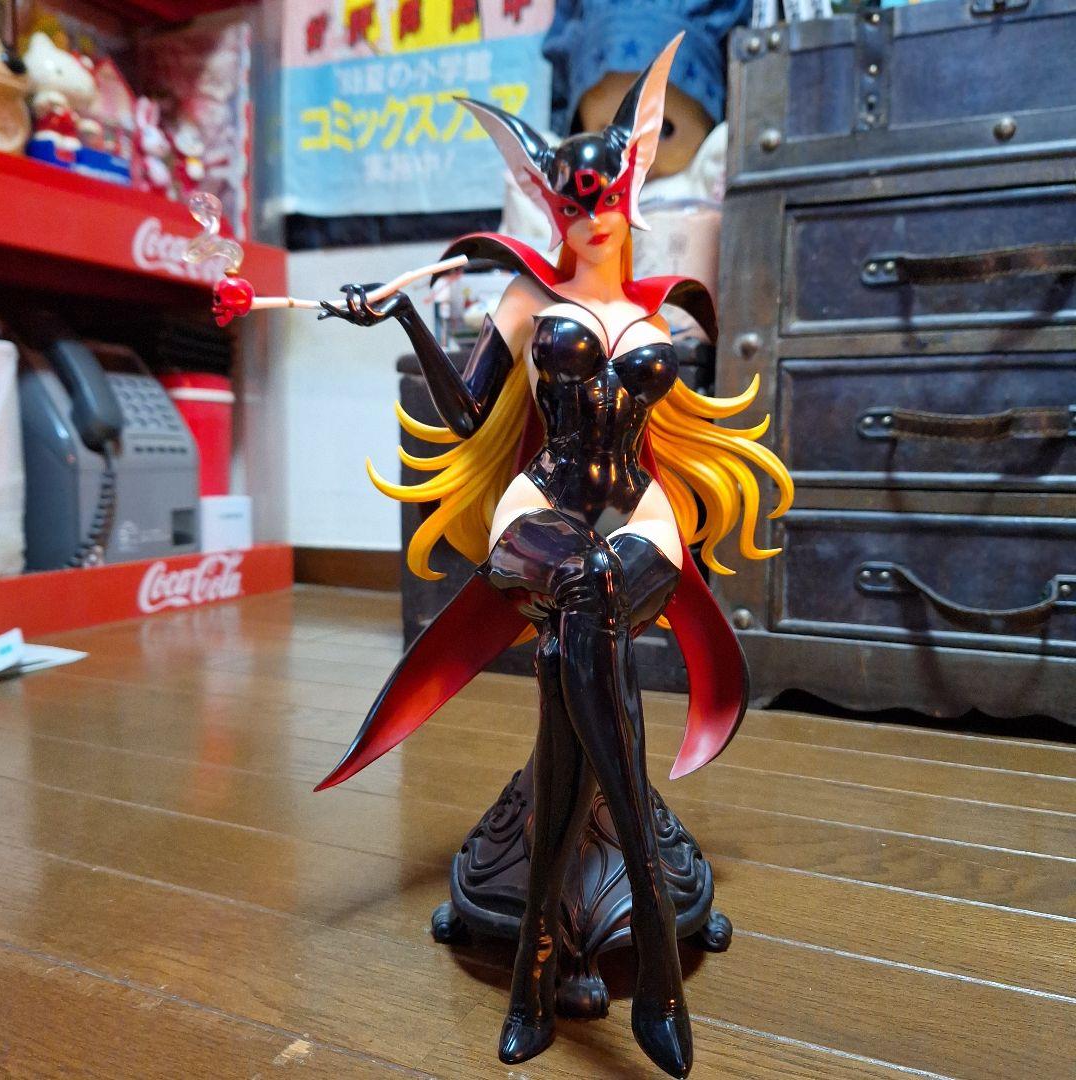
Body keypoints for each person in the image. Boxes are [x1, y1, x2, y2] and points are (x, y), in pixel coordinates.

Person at [315, 34, 792, 1079]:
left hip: (637, 511)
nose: (592, 210)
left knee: (587, 614)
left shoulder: (662, 305)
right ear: (550, 198)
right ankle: (653, 939)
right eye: (572, 196)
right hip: (542, 505)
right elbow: (465, 412)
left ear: (631, 181)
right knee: (583, 599)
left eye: (605, 189)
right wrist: (403, 314)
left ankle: (537, 960)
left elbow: (674, 431)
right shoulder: (527, 302)